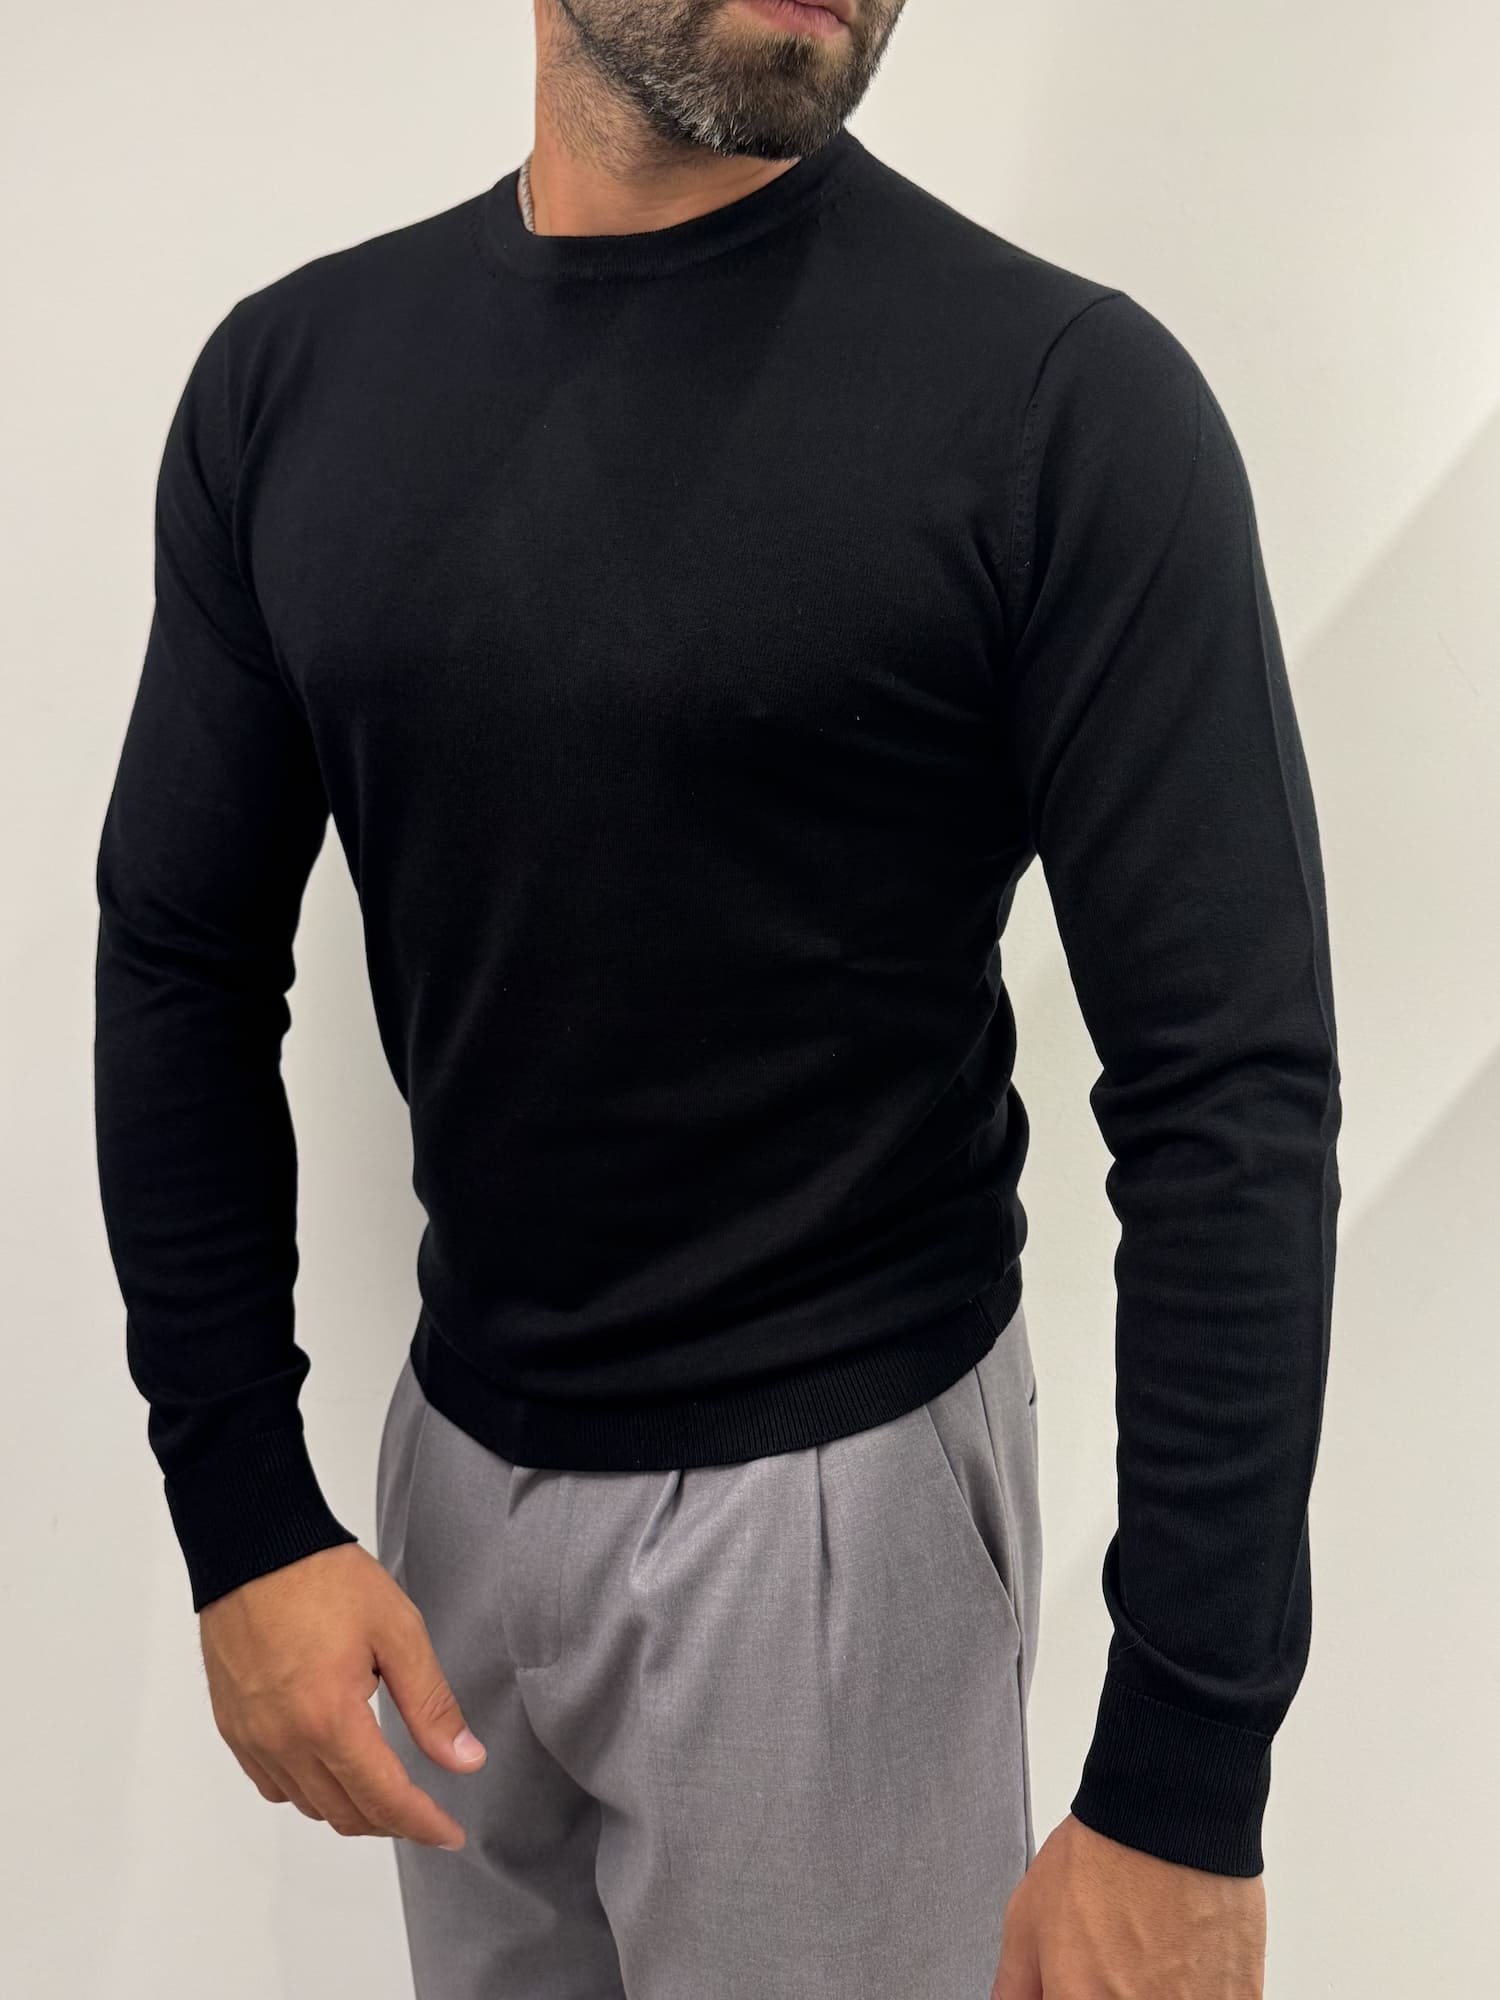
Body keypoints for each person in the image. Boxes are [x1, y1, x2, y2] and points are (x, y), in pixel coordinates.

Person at [92, 1, 1341, 1994]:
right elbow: (182, 950)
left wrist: (1184, 1785)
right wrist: (240, 1508)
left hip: (840, 1517)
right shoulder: (293, 381)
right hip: (453, 1473)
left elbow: (1229, 1095)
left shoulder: (1063, 402)